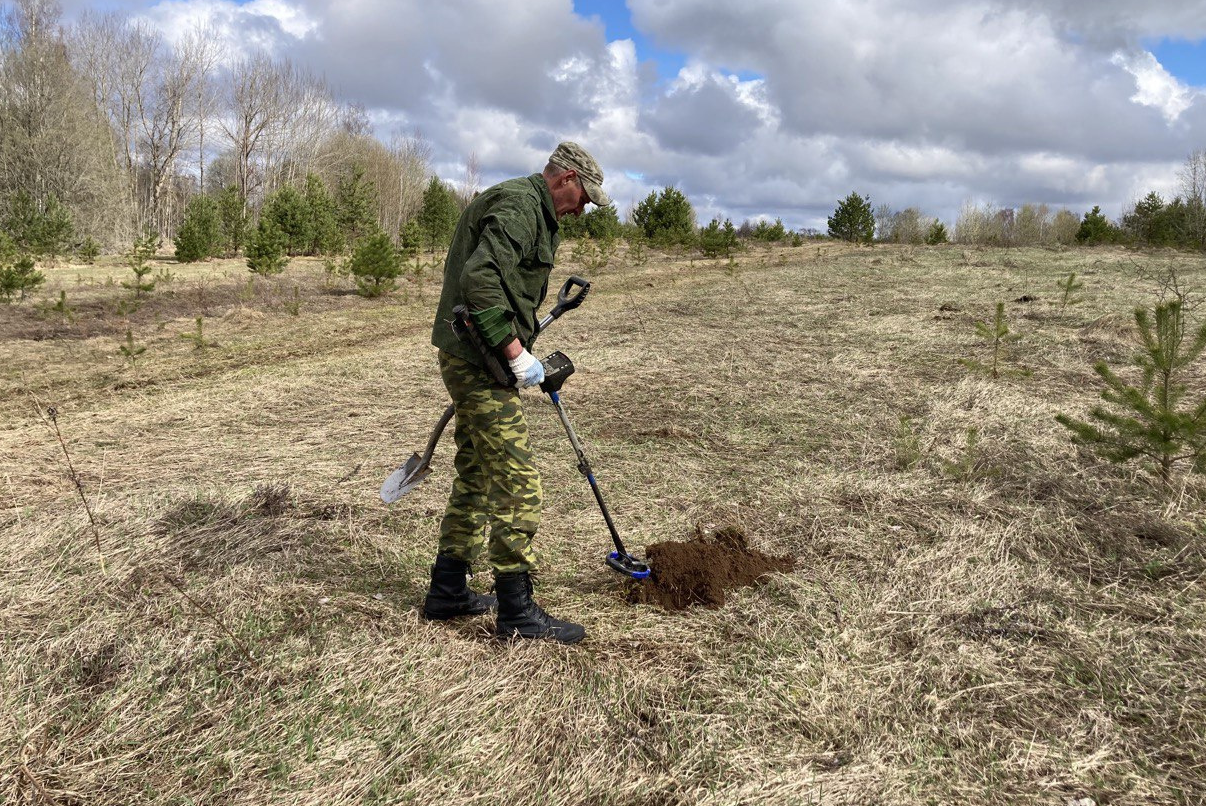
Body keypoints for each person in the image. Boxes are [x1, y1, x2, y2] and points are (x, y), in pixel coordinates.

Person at [422, 142, 610, 644]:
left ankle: (448, 590)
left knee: (478, 470)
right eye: (583, 197)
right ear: (566, 178)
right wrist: (514, 353)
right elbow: (479, 278)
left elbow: (501, 287)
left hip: (473, 354)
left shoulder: (530, 207)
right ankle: (516, 610)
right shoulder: (521, 207)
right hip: (478, 358)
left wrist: (513, 345)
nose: (582, 208)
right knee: (516, 476)